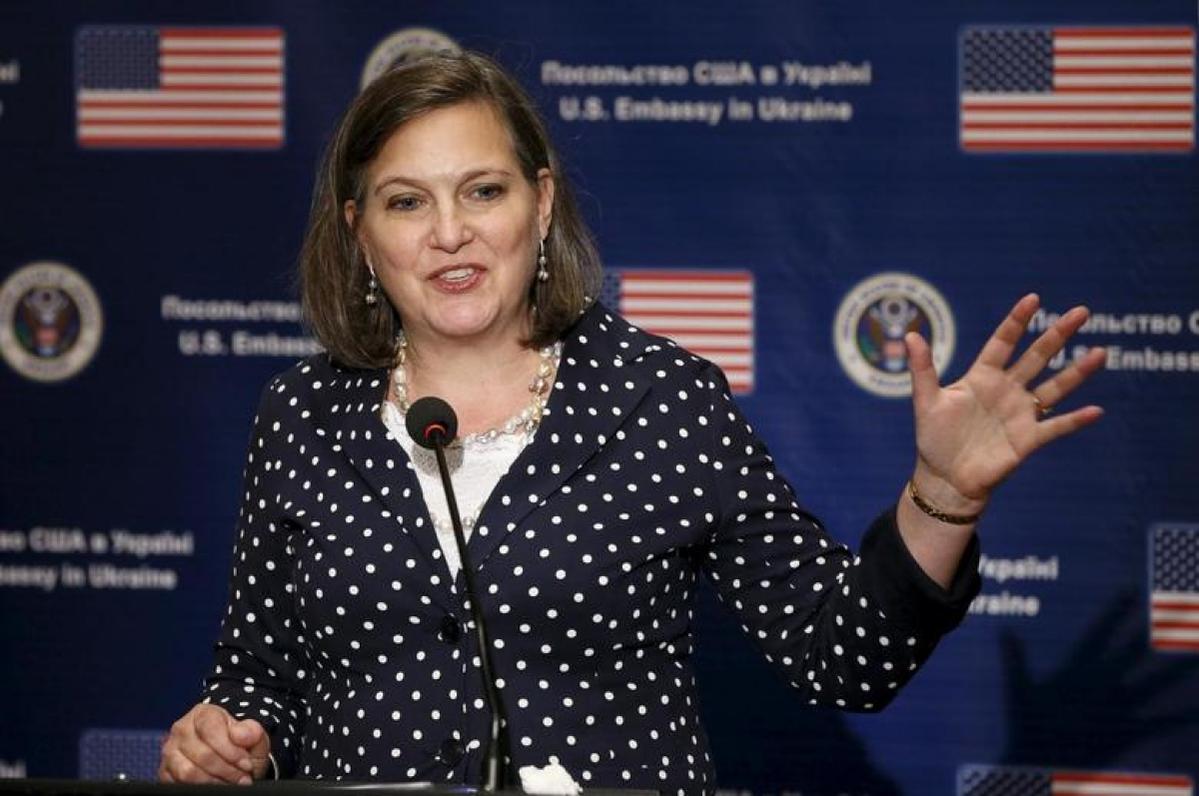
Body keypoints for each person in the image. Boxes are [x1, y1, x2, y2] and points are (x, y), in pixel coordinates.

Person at [157, 50, 1105, 794]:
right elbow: (260, 672)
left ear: (540, 203)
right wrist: (226, 736)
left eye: (483, 190)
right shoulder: (302, 413)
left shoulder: (659, 397)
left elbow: (840, 655)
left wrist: (940, 496)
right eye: (408, 202)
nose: (449, 232)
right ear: (360, 231)